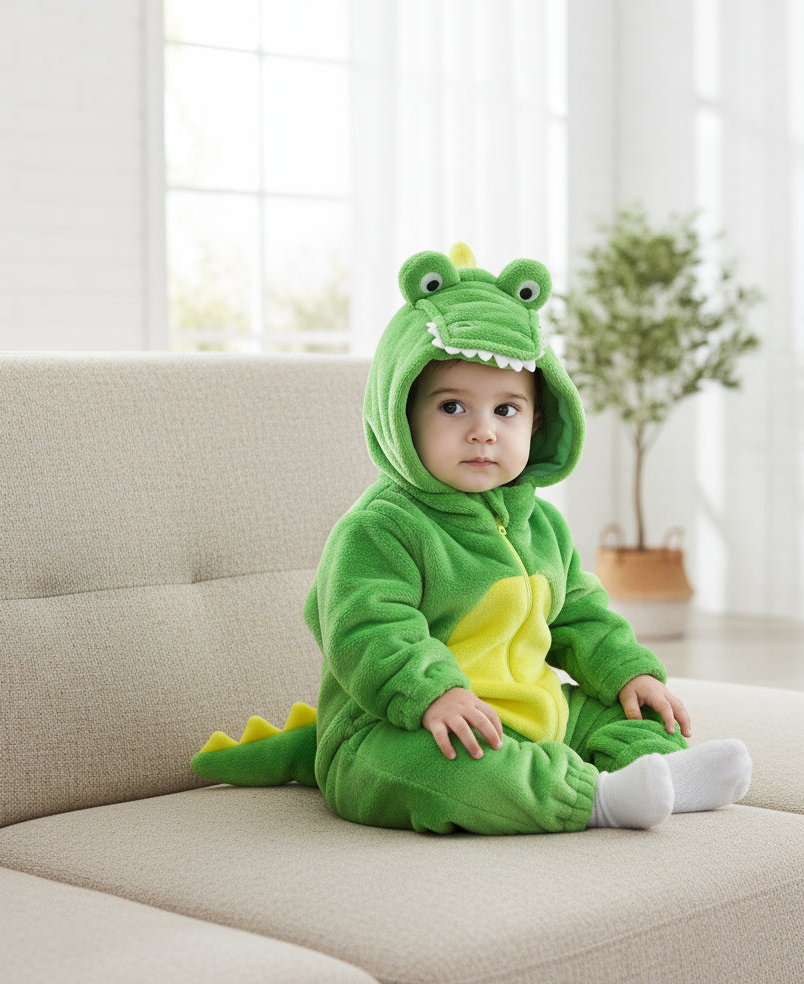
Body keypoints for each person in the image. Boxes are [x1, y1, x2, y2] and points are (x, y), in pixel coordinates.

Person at [302, 246, 751, 834]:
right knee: (441, 768)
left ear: (537, 422)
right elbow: (365, 628)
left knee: (628, 714)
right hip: (406, 724)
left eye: (507, 409)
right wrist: (433, 693)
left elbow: (582, 617)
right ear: (402, 414)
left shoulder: (541, 524)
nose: (483, 431)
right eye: (453, 406)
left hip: (530, 707)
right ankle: (596, 800)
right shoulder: (380, 528)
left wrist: (628, 673)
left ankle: (664, 768)